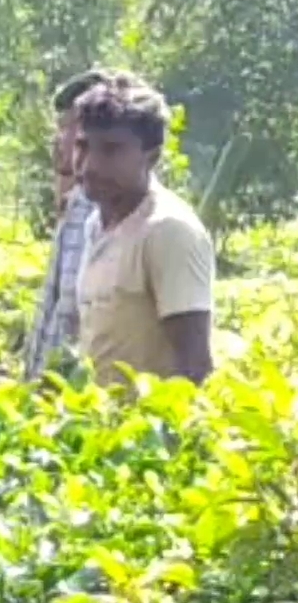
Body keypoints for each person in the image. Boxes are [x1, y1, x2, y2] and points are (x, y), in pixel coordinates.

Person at [72, 72, 215, 384]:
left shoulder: (167, 231)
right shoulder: (96, 225)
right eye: (83, 146)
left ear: (151, 156)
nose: (90, 165)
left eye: (111, 150)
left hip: (147, 430)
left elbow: (196, 367)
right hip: (100, 426)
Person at [24, 68, 107, 379]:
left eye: (69, 127)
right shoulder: (75, 205)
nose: (61, 139)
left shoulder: (97, 210)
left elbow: (75, 323)